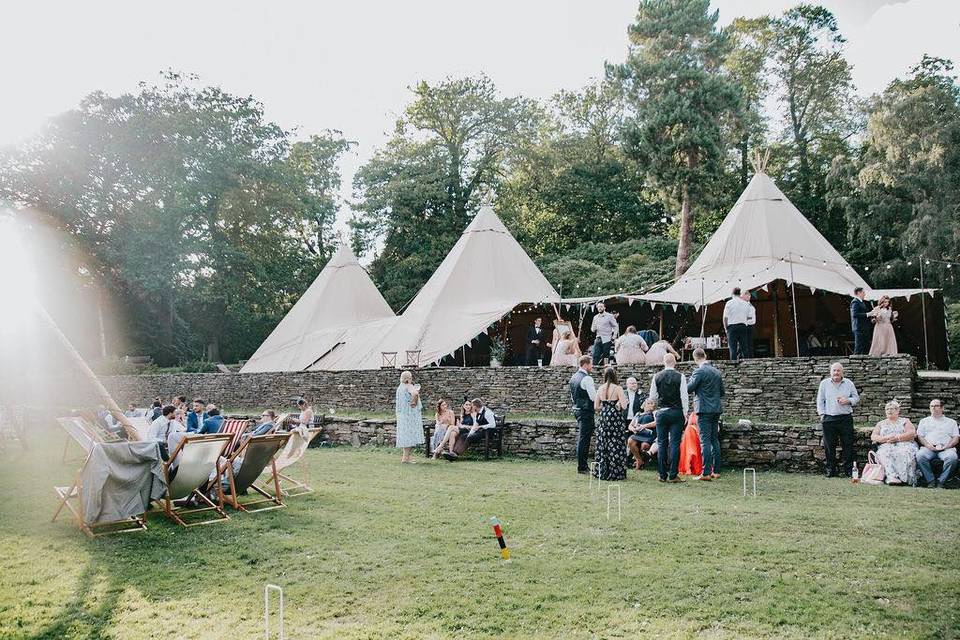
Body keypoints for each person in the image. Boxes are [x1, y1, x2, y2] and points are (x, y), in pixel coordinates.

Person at [648, 353, 689, 483]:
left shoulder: (657, 376)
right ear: (675, 362)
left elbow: (652, 397)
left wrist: (655, 411)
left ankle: (662, 474)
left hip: (662, 412)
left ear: (663, 362)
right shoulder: (680, 376)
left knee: (661, 443)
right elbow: (684, 396)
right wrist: (685, 412)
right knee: (675, 444)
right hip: (676, 412)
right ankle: (672, 474)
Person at [816, 362, 860, 477]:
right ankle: (831, 469)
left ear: (842, 372)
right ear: (830, 372)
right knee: (829, 446)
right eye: (834, 370)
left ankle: (849, 470)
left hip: (845, 418)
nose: (836, 372)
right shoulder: (824, 383)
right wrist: (822, 415)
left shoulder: (849, 383)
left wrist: (848, 400)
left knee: (848, 445)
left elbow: (856, 398)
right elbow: (820, 400)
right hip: (829, 419)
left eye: (838, 370)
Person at [687, 347, 724, 480]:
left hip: (703, 409)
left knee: (705, 441)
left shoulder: (699, 372)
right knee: (714, 440)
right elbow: (722, 392)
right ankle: (717, 471)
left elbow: (688, 388)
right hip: (716, 409)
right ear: (705, 355)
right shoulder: (716, 372)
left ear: (695, 358)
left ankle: (706, 472)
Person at [592, 367, 628, 480]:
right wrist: (616, 404)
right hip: (615, 418)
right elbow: (624, 405)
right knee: (616, 443)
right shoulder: (618, 388)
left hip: (603, 417)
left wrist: (605, 407)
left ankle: (602, 471)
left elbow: (596, 407)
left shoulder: (600, 388)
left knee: (603, 443)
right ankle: (615, 472)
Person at [870, 400, 918, 485]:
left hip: (904, 444)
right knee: (884, 453)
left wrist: (897, 438)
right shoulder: (881, 423)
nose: (889, 411)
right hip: (886, 445)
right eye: (887, 409)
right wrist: (885, 438)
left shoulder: (905, 421)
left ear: (897, 410)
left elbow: (912, 433)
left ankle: (904, 479)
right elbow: (874, 436)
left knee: (903, 452)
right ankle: (892, 477)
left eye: (892, 409)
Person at [916, 399, 959, 488]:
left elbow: (956, 437)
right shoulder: (924, 421)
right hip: (929, 448)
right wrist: (928, 445)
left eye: (936, 406)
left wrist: (948, 446)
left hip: (946, 448)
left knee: (952, 458)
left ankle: (941, 481)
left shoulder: (951, 422)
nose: (933, 408)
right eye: (931, 406)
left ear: (942, 408)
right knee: (920, 456)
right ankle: (930, 480)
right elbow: (920, 436)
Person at [569, 355, 597, 475]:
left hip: (577, 409)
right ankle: (582, 467)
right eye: (591, 364)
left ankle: (582, 465)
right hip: (586, 411)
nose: (592, 366)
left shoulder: (573, 378)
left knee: (583, 438)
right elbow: (593, 397)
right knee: (584, 439)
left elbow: (572, 396)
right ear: (585, 364)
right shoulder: (587, 379)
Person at [395, 371, 425, 463]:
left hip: (402, 414)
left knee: (405, 435)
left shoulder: (400, 387)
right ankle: (405, 458)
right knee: (409, 435)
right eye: (411, 378)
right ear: (408, 378)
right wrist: (413, 402)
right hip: (410, 415)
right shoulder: (408, 385)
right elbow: (415, 394)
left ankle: (406, 457)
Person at [627, 398, 656, 469]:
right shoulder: (638, 414)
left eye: (652, 403)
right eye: (648, 403)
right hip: (638, 434)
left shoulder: (654, 413)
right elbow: (630, 425)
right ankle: (639, 460)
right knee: (630, 441)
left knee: (644, 445)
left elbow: (656, 422)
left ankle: (642, 462)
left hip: (648, 434)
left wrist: (644, 426)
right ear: (644, 405)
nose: (650, 405)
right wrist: (633, 429)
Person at [723, 287, 750, 360]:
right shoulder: (746, 304)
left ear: (732, 294)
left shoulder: (729, 303)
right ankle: (747, 365)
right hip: (743, 326)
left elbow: (725, 318)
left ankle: (734, 367)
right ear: (740, 294)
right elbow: (747, 316)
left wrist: (726, 328)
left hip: (732, 327)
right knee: (744, 348)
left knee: (733, 348)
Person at [850, 287, 871, 355]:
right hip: (858, 327)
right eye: (863, 292)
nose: (864, 294)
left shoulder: (861, 302)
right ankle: (855, 362)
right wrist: (867, 314)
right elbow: (855, 314)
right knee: (858, 346)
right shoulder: (855, 302)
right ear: (859, 293)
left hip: (864, 327)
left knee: (865, 345)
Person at [741, 291, 756, 359]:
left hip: (748, 327)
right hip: (741, 327)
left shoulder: (751, 307)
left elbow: (753, 320)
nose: (741, 297)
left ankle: (750, 359)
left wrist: (744, 319)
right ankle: (743, 358)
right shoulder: (740, 306)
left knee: (748, 344)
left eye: (743, 296)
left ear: (748, 296)